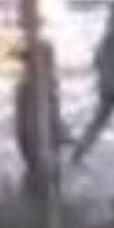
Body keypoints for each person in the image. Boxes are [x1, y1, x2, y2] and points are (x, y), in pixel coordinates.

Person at [72, 2, 114, 166]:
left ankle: (79, 153)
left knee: (97, 123)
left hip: (105, 86)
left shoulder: (105, 41)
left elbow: (97, 62)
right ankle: (78, 153)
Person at [15, 39, 69, 205]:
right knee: (41, 179)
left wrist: (62, 130)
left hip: (41, 143)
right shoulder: (32, 88)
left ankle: (37, 212)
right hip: (38, 143)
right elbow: (30, 122)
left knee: (45, 179)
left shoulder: (44, 85)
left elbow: (51, 115)